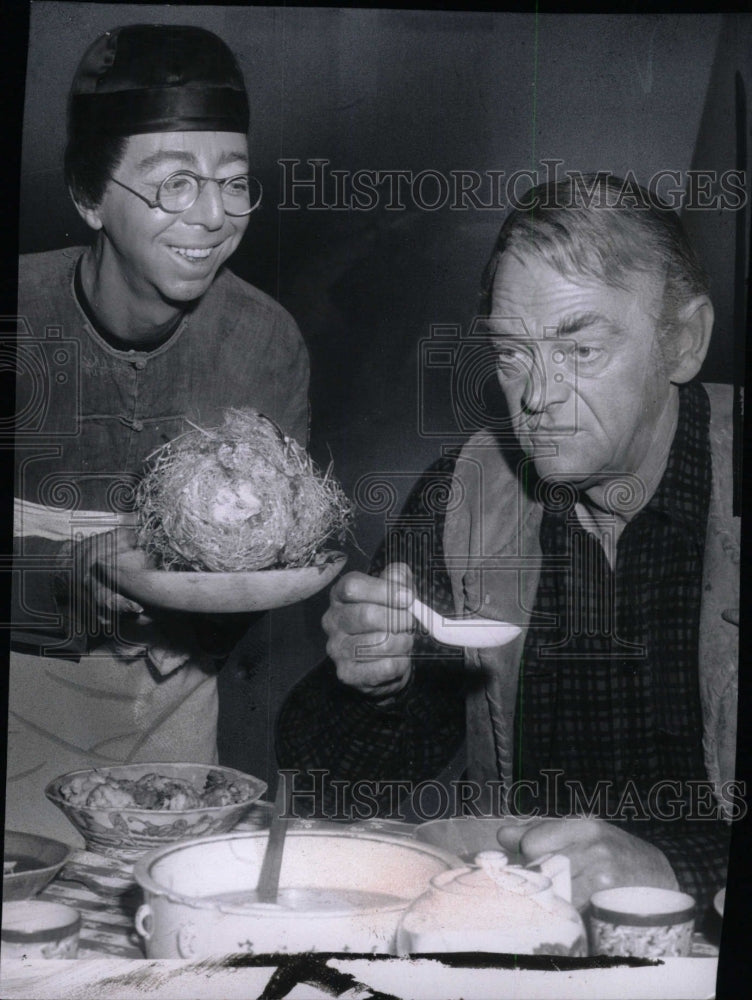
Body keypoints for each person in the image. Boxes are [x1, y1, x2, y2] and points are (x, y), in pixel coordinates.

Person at [277, 174, 740, 916]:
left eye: (580, 349)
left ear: (681, 342)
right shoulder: (466, 494)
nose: (536, 396)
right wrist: (372, 685)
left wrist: (671, 866)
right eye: (512, 353)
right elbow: (329, 784)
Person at [9, 23, 309, 843]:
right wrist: (60, 580)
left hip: (173, 748)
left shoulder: (264, 343)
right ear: (88, 195)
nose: (213, 217)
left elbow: (269, 580)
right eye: (174, 183)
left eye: (234, 182)